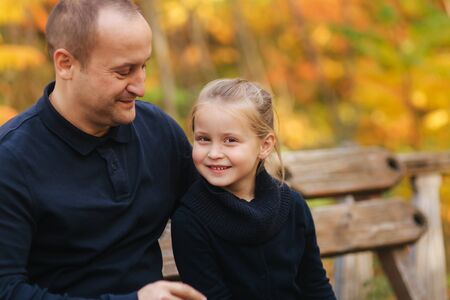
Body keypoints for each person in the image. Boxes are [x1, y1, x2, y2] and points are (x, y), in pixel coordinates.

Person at [0, 1, 205, 299]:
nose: (141, 87)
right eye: (124, 72)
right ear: (65, 64)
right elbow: (6, 291)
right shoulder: (11, 161)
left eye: (144, 66)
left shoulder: (159, 132)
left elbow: (215, 213)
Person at [171, 78, 336, 299]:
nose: (214, 153)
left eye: (230, 140)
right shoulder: (191, 220)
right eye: (203, 139)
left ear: (265, 145)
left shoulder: (292, 206)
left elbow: (315, 285)